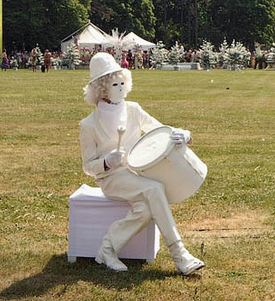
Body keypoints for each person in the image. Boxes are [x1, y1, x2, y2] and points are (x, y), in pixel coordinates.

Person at [79, 52, 205, 274]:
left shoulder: (133, 109)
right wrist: (107, 162)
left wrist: (184, 134)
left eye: (121, 82)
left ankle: (107, 249)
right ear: (101, 89)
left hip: (137, 174)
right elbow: (88, 166)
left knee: (147, 207)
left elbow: (159, 129)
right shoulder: (88, 125)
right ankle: (180, 253)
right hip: (111, 179)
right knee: (155, 188)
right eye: (113, 84)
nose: (120, 88)